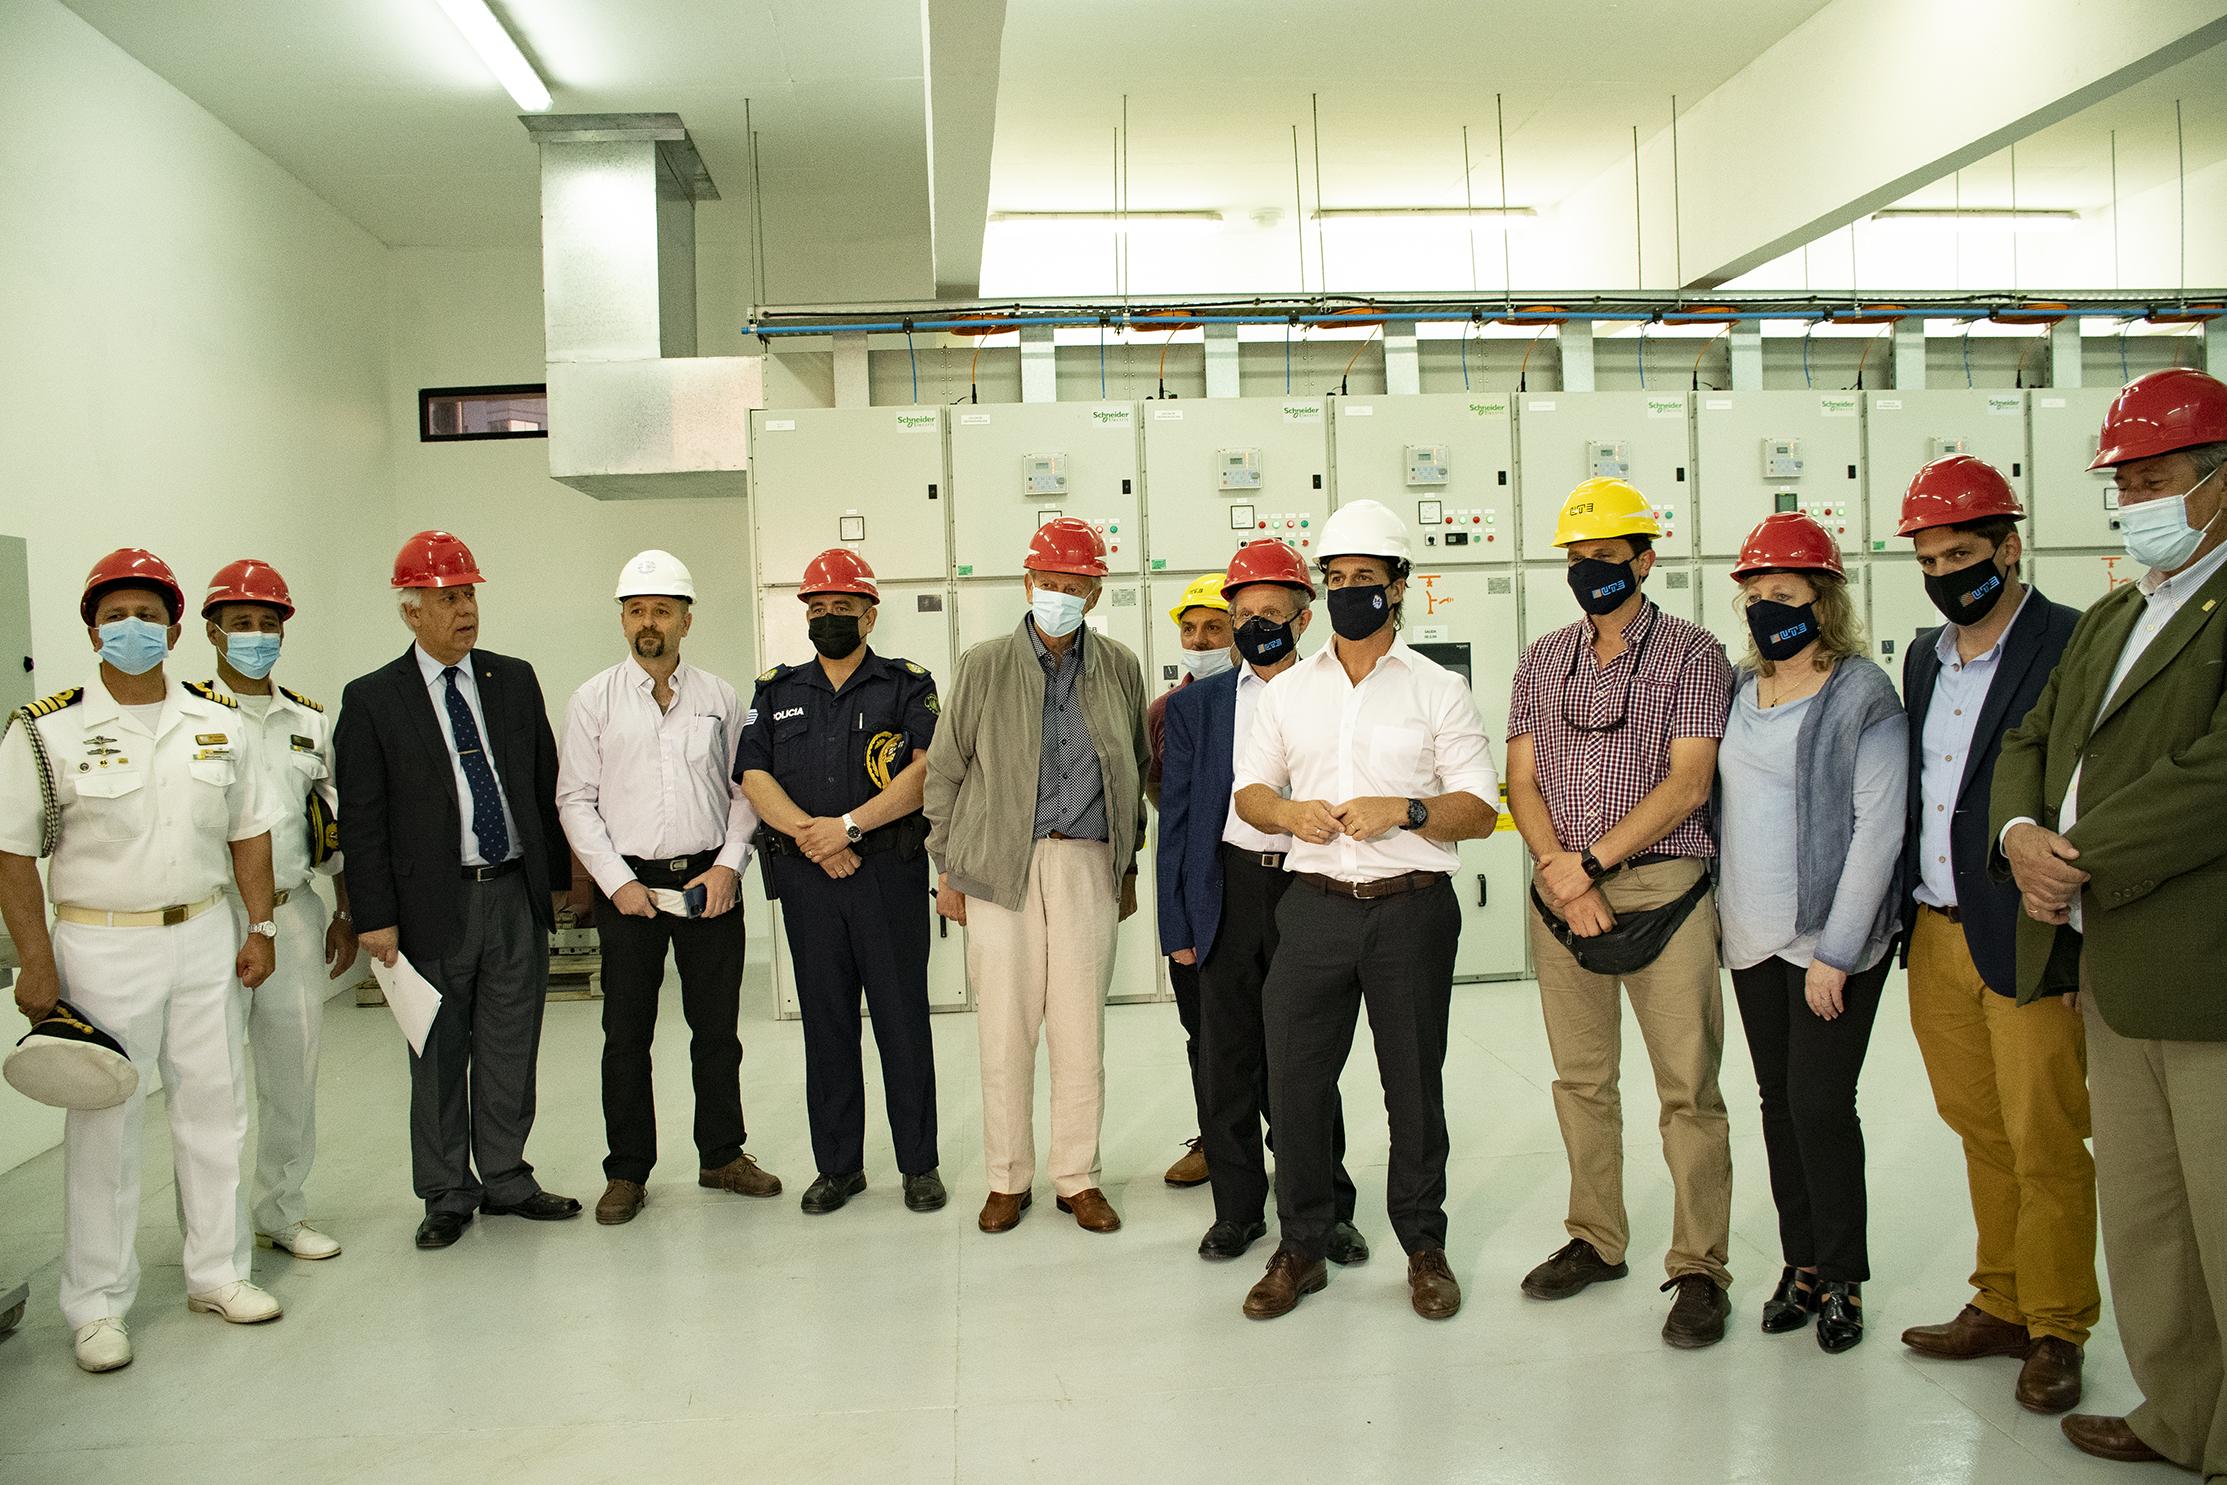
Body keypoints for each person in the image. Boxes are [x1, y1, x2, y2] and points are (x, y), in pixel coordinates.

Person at [1993, 367, 2227, 1476]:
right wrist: (2019, 838)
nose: (2135, 497)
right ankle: (2177, 1416)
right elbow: (2031, 740)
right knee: (2148, 1224)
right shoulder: (2117, 614)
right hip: (2106, 965)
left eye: (2157, 475)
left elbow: (2211, 777)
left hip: (2201, 966)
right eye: (2122, 478)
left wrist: (2071, 862)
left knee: (2224, 1228)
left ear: (2219, 482)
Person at [0, 548, 285, 1373]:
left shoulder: (215, 721)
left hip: (203, 933)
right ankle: (96, 1304)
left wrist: (259, 926)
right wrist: (35, 957)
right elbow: (13, 854)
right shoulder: (46, 729)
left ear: (174, 627)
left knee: (216, 1109)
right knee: (103, 1123)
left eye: (150, 615)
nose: (135, 628)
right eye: (118, 614)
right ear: (92, 627)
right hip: (97, 941)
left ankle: (218, 1270)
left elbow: (251, 829)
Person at [1231, 499, 1498, 1322]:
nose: (1350, 592)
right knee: (1297, 1081)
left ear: (1398, 587)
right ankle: (1301, 1244)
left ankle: (1423, 1246)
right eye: (1336, 579)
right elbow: (1249, 795)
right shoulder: (1286, 693)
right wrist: (1287, 814)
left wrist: (1408, 811)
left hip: (1409, 911)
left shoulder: (1436, 688)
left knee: (1411, 1084)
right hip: (1310, 907)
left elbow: (1480, 810)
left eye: (1365, 580)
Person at [1505, 477, 1738, 1349]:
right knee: (1581, 1081)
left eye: (1604, 558)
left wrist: (1592, 863)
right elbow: (1522, 780)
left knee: (1686, 1087)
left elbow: (1688, 781)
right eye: (1576, 560)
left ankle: (1698, 1267)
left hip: (1661, 890)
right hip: (1562, 893)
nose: (1589, 573)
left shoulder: (1691, 653)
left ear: (1644, 559)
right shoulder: (1543, 657)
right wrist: (1559, 872)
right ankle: (1595, 1238)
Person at [1890, 457, 2092, 1411]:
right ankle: (2000, 1299)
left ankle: (2056, 1324)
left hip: (2028, 928)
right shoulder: (1924, 653)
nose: (1943, 571)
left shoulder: (2072, 642)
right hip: (1934, 925)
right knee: (1975, 1123)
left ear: (2009, 549)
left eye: (1961, 553)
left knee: (2043, 1128)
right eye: (1927, 557)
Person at [335, 530, 579, 1250]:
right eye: (447, 598)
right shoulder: (374, 699)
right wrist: (374, 917)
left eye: (469, 594)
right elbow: (364, 819)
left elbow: (541, 786)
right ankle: (446, 1189)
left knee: (510, 1042)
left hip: (512, 892)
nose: (464, 610)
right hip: (427, 906)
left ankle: (505, 1175)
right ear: (411, 612)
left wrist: (557, 882)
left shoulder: (513, 678)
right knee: (438, 1050)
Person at [923, 517, 1148, 1237]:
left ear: (1094, 590)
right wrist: (946, 866)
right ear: (1028, 584)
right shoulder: (983, 664)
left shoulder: (1117, 665)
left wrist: (1128, 864)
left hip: (1085, 862)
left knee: (1080, 1031)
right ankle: (1004, 1178)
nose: (1058, 594)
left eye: (1073, 585)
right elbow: (946, 770)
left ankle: (1077, 1178)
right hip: (998, 867)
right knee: (1004, 1030)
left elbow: (1135, 769)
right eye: (1047, 582)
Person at [1715, 514, 1907, 1355]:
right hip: (1749, 934)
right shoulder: (1733, 686)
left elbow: (1879, 829)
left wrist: (1834, 950)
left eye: (1783, 596)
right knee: (1775, 1102)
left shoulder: (1862, 694)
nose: (1765, 610)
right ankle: (1798, 1264)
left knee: (1822, 1105)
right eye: (1754, 597)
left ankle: (1843, 1276)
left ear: (1822, 601)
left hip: (1831, 942)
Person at [557, 549, 780, 1228]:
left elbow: (746, 790)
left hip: (708, 885)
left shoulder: (718, 697)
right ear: (622, 620)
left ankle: (722, 1153)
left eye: (660, 610)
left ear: (686, 619)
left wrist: (728, 865)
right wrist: (616, 882)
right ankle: (627, 1169)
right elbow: (574, 799)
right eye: (635, 611)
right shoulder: (592, 699)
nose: (647, 622)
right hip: (631, 892)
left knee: (716, 1030)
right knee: (626, 1034)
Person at [1159, 540, 1366, 1267]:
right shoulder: (1198, 707)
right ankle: (1237, 1211)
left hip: (1309, 887)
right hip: (1227, 888)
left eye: (1270, 613)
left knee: (1306, 1062)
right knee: (1225, 1060)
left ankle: (1327, 1209)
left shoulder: (1335, 692)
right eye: (1241, 613)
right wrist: (1176, 923)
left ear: (1304, 618)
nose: (1254, 626)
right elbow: (1177, 822)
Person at [736, 548, 942, 1215]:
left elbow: (924, 770)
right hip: (810, 884)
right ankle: (838, 1167)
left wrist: (848, 827)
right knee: (825, 1026)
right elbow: (754, 775)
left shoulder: (906, 685)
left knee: (901, 1023)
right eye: (817, 609)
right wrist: (811, 835)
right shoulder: (776, 691)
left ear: (869, 613)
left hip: (886, 877)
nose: (827, 618)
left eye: (841, 608)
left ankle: (918, 1164)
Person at [200, 559, 357, 1263]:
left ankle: (282, 1211)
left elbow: (334, 826)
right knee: (210, 1084)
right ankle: (213, 1231)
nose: (256, 636)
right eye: (242, 625)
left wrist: (344, 909)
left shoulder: (309, 720)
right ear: (212, 631)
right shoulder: (190, 716)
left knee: (292, 1075)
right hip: (215, 915)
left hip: (294, 912)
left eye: (268, 624)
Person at [1147, 571, 1233, 1191]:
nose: (1200, 641)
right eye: (1190, 629)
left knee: (1280, 1035)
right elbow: (1166, 810)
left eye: (1214, 628)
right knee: (1203, 1031)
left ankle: (1290, 1144)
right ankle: (1216, 1139)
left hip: (1265, 887)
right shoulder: (1163, 712)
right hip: (1198, 890)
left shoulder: (1283, 697)